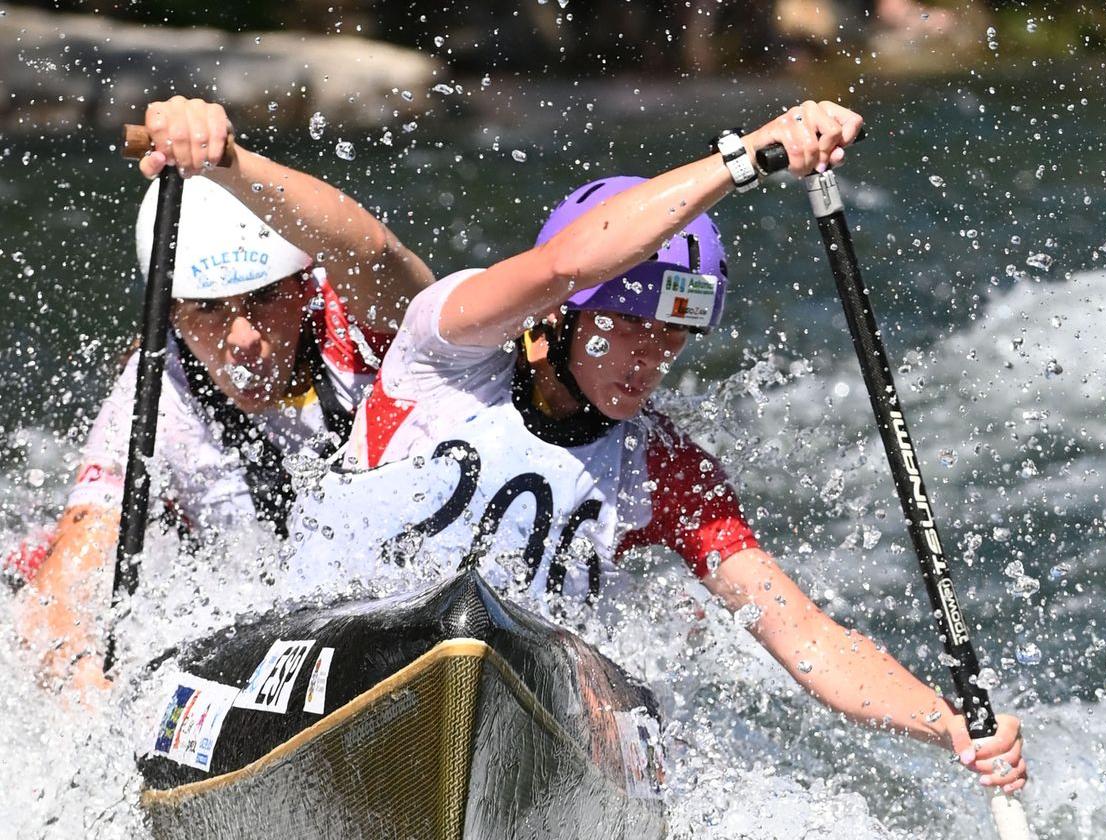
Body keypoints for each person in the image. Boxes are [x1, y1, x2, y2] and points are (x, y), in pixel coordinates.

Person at [287, 100, 1027, 794]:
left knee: (589, 682)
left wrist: (951, 726)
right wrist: (745, 158)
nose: (651, 356)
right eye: (628, 325)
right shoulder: (445, 351)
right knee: (464, 622)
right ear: (557, 319)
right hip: (334, 645)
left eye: (672, 333)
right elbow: (563, 265)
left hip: (496, 696)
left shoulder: (663, 469)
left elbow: (806, 637)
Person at [21, 96, 434, 692]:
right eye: (209, 311)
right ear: (173, 318)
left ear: (304, 284)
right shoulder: (152, 392)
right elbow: (63, 588)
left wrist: (229, 162)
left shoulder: (366, 330)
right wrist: (84, 679)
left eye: (266, 298)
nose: (243, 338)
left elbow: (376, 254)